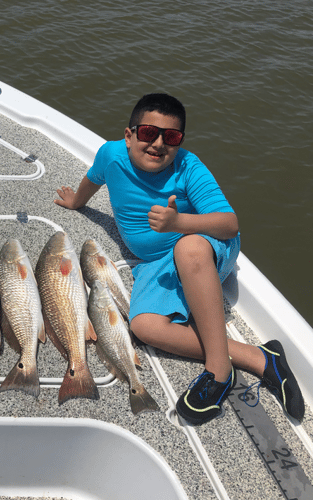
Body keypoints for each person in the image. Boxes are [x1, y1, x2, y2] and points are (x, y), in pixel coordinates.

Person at [55, 93, 304, 425]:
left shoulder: (188, 167)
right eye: (148, 133)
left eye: (171, 137)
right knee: (144, 326)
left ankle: (219, 371)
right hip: (156, 262)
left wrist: (179, 224)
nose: (158, 143)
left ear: (180, 142)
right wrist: (76, 201)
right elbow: (93, 179)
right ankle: (261, 358)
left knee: (188, 249)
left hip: (206, 248)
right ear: (129, 136)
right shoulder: (110, 156)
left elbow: (230, 224)